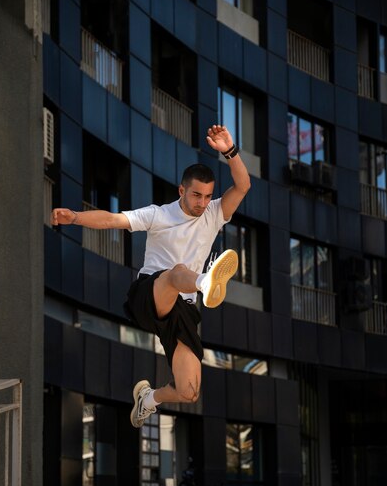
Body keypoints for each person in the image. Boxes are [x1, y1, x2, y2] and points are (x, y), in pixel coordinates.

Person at [51, 124, 251, 428]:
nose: (201, 203)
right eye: (196, 195)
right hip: (150, 294)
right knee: (176, 273)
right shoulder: (158, 215)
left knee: (189, 391)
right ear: (182, 190)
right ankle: (205, 281)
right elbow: (113, 220)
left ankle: (148, 399)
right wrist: (76, 217)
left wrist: (230, 151)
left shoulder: (214, 214)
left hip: (183, 308)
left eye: (207, 196)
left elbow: (243, 186)